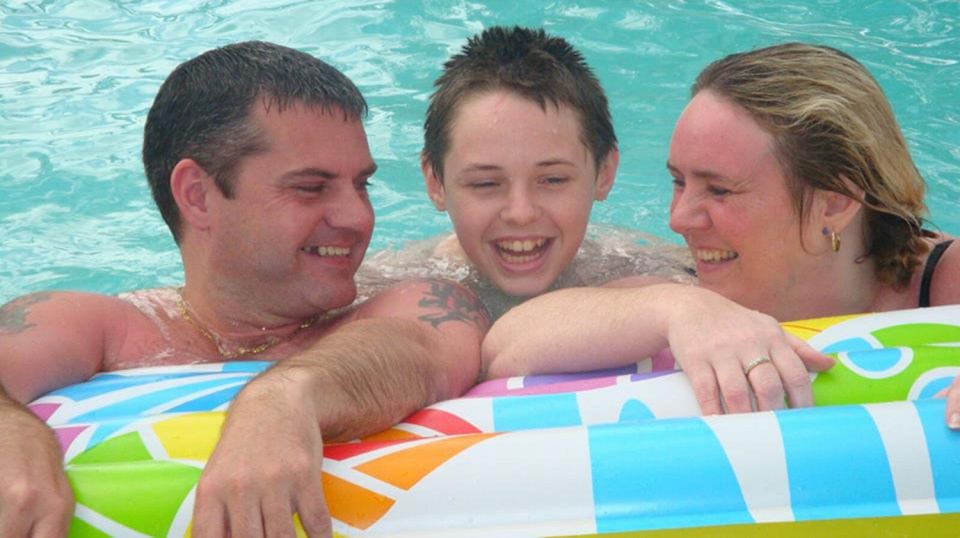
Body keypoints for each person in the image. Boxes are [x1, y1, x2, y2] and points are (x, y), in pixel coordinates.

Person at [0, 41, 489, 537]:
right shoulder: (114, 328)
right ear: (198, 196)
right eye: (310, 188)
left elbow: (422, 349)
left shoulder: (406, 300)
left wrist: (283, 399)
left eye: (362, 185)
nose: (358, 218)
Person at [484, 43, 959, 426]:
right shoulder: (691, 291)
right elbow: (505, 346)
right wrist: (679, 309)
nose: (679, 218)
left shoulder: (942, 278)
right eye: (678, 181)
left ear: (833, 203)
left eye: (719, 190)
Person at [418, 27, 833, 412]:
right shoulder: (404, 281)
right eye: (486, 184)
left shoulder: (641, 264)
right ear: (435, 182)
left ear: (604, 173)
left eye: (553, 179)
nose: (522, 213)